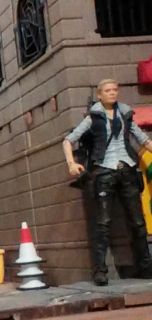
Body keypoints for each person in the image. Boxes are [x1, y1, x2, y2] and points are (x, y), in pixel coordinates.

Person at [63, 78, 152, 286]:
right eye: (107, 90)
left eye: (115, 90)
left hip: (127, 168)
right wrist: (71, 163)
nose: (112, 93)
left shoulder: (125, 114)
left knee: (138, 221)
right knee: (102, 223)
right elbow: (68, 140)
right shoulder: (93, 118)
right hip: (104, 170)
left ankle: (146, 266)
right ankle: (100, 271)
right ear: (99, 94)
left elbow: (143, 139)